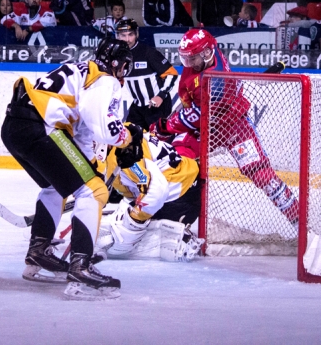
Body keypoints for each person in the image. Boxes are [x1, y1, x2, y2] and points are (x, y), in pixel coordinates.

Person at [0, 38, 136, 300]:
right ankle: (81, 266)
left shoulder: (79, 68)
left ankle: (38, 253)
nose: (123, 75)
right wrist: (127, 139)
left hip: (14, 127)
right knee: (94, 192)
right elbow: (103, 126)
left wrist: (89, 168)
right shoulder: (105, 79)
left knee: (55, 186)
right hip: (41, 128)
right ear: (117, 64)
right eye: (124, 68)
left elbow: (83, 134)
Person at [151, 29, 299, 223]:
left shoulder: (216, 84)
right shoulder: (207, 55)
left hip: (233, 126)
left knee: (261, 174)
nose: (188, 63)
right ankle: (169, 216)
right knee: (177, 160)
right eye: (186, 58)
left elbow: (195, 116)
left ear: (206, 53)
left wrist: (166, 126)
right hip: (204, 128)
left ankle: (298, 219)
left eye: (192, 58)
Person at [94, 131, 204, 262]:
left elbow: (156, 191)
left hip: (181, 197)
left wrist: (135, 219)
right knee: (118, 224)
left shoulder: (124, 156)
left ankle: (181, 241)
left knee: (123, 240)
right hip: (182, 183)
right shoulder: (124, 135)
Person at [115, 19, 179, 130]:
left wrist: (161, 95)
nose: (127, 39)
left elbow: (172, 74)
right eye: (123, 35)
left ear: (137, 34)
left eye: (130, 35)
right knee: (130, 139)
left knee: (158, 140)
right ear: (117, 36)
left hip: (158, 106)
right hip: (137, 107)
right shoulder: (118, 55)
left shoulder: (148, 52)